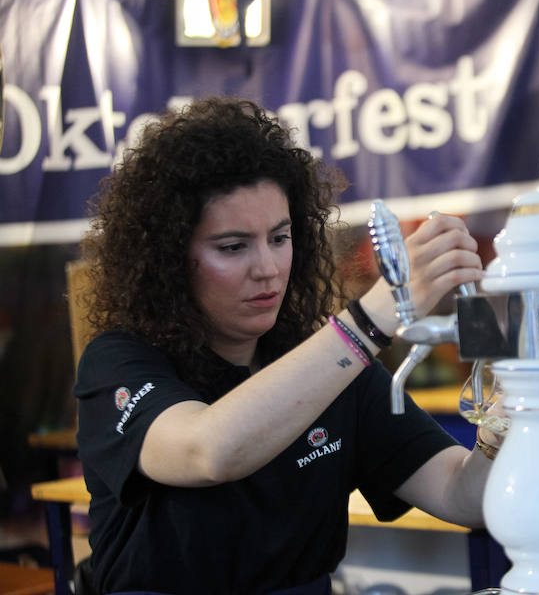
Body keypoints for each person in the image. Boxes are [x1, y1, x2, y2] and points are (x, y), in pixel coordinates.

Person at [74, 97, 496, 595]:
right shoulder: (118, 363)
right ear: (168, 259)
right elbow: (210, 450)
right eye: (233, 247)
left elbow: (461, 495)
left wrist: (512, 410)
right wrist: (375, 316)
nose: (268, 268)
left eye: (280, 237)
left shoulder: (336, 368)